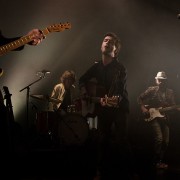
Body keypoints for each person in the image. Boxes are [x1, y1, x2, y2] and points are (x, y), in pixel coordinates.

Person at [79, 32, 131, 179]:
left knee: (122, 140)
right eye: (105, 40)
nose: (107, 42)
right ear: (101, 45)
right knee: (103, 140)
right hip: (104, 106)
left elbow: (119, 92)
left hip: (120, 107)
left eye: (111, 42)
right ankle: (101, 172)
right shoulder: (96, 67)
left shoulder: (121, 69)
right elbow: (82, 80)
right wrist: (84, 93)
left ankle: (130, 173)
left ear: (115, 50)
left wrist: (114, 99)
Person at [137, 71, 180, 169]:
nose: (160, 82)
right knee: (159, 138)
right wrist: (143, 108)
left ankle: (159, 161)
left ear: (165, 81)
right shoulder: (152, 90)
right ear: (156, 80)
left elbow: (172, 106)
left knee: (166, 141)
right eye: (159, 80)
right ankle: (155, 162)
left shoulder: (170, 92)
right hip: (153, 116)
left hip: (164, 117)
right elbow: (139, 98)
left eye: (162, 80)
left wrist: (175, 109)